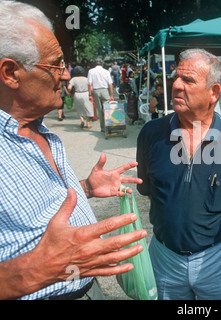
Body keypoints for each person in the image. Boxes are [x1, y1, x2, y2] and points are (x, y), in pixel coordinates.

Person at [0, 1, 147, 300]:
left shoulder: (39, 128)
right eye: (55, 64)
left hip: (88, 288)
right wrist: (34, 270)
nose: (65, 75)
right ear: (10, 73)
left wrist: (86, 189)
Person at [136, 48, 221, 300]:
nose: (176, 85)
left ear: (213, 92)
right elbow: (149, 191)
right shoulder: (151, 134)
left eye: (188, 80)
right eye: (176, 77)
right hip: (164, 258)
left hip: (218, 259)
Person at [88, 57, 114, 133]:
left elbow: (90, 84)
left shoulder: (91, 71)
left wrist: (90, 95)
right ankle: (109, 126)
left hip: (96, 91)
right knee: (107, 109)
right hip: (105, 90)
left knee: (99, 110)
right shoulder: (106, 71)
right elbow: (110, 84)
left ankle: (103, 128)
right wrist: (111, 95)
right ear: (102, 63)